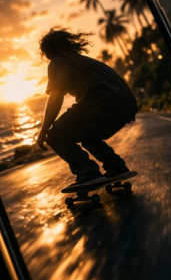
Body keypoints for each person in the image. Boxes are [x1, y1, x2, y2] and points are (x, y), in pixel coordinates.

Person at [34, 27, 138, 192]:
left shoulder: (58, 61)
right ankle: (116, 167)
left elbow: (56, 97)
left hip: (102, 103)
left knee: (55, 135)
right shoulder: (84, 61)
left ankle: (87, 172)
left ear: (48, 51)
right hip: (127, 105)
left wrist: (44, 130)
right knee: (89, 138)